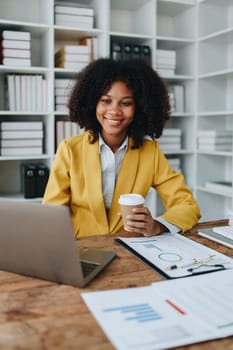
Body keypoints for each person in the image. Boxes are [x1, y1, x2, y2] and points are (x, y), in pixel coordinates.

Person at [43, 58, 201, 237]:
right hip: (81, 247)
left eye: (125, 103)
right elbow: (52, 213)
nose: (115, 111)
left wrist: (158, 225)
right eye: (106, 101)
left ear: (140, 107)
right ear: (93, 102)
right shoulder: (70, 149)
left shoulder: (150, 152)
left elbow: (187, 205)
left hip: (130, 247)